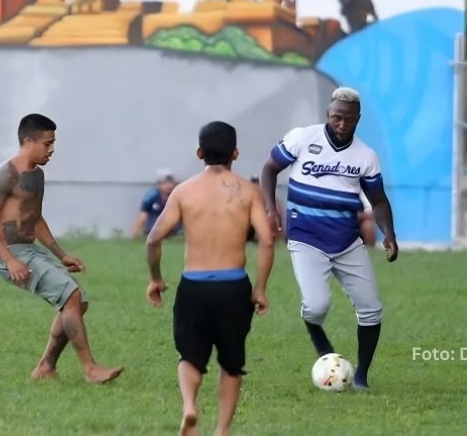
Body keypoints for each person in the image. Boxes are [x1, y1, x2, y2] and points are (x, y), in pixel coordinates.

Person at [258, 86, 398, 391]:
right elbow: (269, 169)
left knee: (371, 308)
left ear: (358, 118)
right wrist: (270, 207)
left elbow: (378, 200)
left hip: (347, 241)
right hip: (306, 236)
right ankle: (318, 338)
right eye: (336, 117)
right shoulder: (302, 138)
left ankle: (360, 376)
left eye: (348, 119)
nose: (342, 124)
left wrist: (389, 233)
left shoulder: (366, 156)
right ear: (328, 114)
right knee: (317, 306)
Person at [145, 121, 275, 436]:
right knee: (231, 363)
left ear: (199, 153)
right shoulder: (248, 191)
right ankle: (222, 429)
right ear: (236, 153)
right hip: (233, 287)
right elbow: (268, 240)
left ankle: (190, 405)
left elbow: (153, 239)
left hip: (194, 285)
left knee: (190, 355)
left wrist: (156, 279)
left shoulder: (183, 191)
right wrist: (260, 289)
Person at [0, 113, 124, 384]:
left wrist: (62, 254)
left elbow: (36, 218)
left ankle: (46, 367)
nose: (52, 149)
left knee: (78, 301)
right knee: (71, 297)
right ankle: (90, 368)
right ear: (28, 141)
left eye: (53, 143)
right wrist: (9, 260)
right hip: (11, 254)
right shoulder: (6, 175)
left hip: (28, 250)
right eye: (47, 144)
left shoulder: (37, 175)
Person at [131, 169, 180, 239]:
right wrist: (134, 235)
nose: (168, 186)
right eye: (164, 183)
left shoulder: (178, 195)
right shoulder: (151, 196)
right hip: (153, 231)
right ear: (159, 184)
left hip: (174, 232)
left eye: (170, 183)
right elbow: (142, 216)